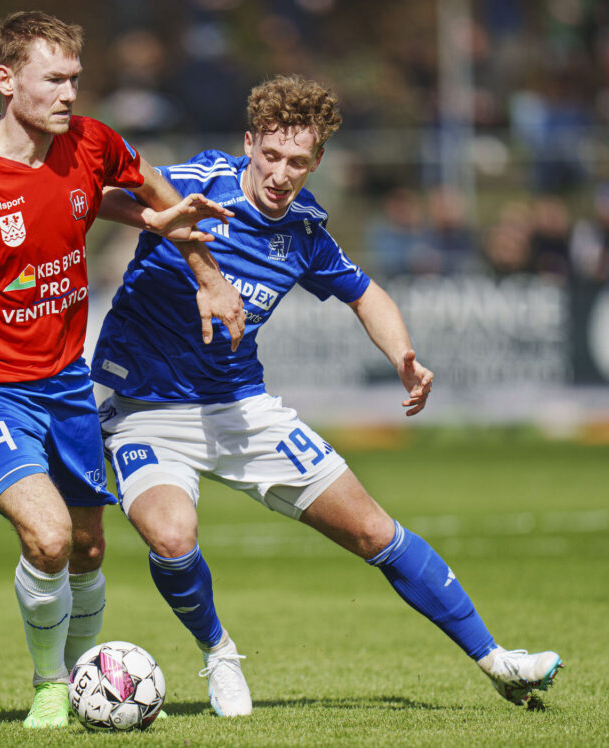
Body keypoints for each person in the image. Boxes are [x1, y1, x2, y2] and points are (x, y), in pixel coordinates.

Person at [93, 74, 562, 717]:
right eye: (272, 155)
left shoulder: (305, 233)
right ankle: (219, 654)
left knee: (374, 530)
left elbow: (364, 293)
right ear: (249, 142)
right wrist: (158, 217)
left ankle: (497, 661)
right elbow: (85, 194)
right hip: (142, 409)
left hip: (240, 408)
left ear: (317, 163)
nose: (282, 175)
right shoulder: (198, 182)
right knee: (172, 537)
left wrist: (403, 356)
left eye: (299, 162)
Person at [0, 11, 244, 729]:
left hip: (67, 385)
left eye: (75, 78)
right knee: (47, 538)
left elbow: (150, 192)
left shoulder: (90, 144)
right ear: (6, 78)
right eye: (54, 79)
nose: (69, 93)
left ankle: (89, 688)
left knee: (86, 548)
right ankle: (50, 683)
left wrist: (206, 273)